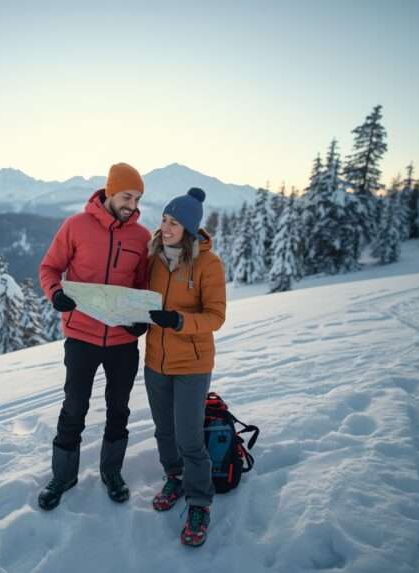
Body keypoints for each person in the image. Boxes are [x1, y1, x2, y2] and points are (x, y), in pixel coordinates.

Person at [37, 162, 152, 510]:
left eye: (137, 198)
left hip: (122, 343)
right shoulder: (76, 226)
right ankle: (63, 475)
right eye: (126, 196)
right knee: (74, 407)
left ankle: (111, 472)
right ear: (110, 191)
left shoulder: (141, 237)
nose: (132, 204)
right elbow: (49, 267)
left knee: (119, 409)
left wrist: (141, 319)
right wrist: (55, 293)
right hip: (81, 336)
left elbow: (144, 285)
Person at [143, 187, 226, 547]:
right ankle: (174, 477)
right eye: (163, 219)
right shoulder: (153, 258)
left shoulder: (209, 263)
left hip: (191, 363)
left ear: (190, 228)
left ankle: (199, 501)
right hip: (155, 361)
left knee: (189, 437)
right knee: (164, 430)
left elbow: (216, 317)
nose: (165, 228)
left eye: (174, 222)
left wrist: (179, 321)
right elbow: (143, 303)